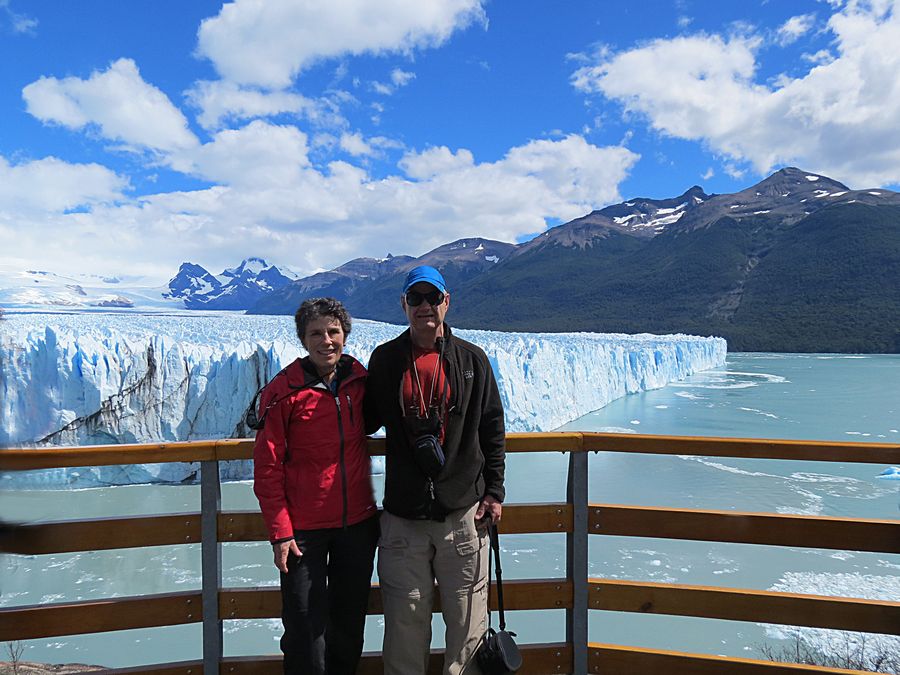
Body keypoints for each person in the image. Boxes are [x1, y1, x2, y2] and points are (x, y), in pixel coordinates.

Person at [365, 265, 506, 675]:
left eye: (432, 298)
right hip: (403, 516)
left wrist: (494, 491)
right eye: (415, 298)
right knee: (404, 625)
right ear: (403, 305)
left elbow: (492, 428)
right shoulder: (387, 359)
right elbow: (363, 418)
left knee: (467, 627)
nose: (424, 306)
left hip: (462, 514)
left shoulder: (472, 361)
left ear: (447, 301)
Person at [253, 297, 379, 675]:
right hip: (302, 531)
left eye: (333, 331)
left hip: (356, 523)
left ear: (345, 334)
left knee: (349, 622)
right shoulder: (284, 391)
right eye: (316, 333)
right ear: (303, 340)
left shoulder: (359, 379)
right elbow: (268, 466)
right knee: (304, 628)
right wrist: (280, 533)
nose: (327, 340)